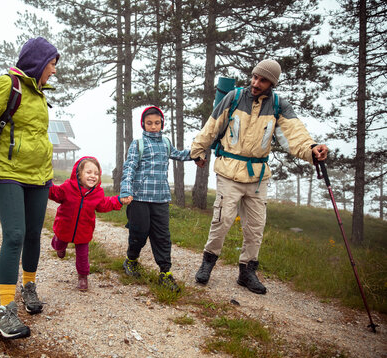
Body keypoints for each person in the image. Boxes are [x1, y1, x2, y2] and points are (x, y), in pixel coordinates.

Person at [191, 59, 329, 294]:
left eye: (262, 80)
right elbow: (212, 126)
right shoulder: (234, 97)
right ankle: (208, 263)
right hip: (229, 170)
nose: (256, 83)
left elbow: (294, 135)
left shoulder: (278, 105)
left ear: (271, 83)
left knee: (255, 227)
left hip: (258, 177)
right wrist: (197, 151)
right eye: (255, 77)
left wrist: (312, 149)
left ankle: (247, 272)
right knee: (222, 220)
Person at [0, 37, 59, 339]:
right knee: (15, 234)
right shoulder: (8, 85)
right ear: (38, 62)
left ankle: (28, 285)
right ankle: (5, 311)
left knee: (33, 234)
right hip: (7, 173)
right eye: (52, 65)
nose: (54, 71)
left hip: (40, 176)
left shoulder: (40, 93)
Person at [120, 106, 193, 292]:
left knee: (162, 236)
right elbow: (129, 168)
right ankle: (131, 260)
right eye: (149, 123)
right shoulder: (138, 144)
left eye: (157, 123)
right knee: (139, 232)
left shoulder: (166, 143)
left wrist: (196, 154)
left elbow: (179, 154)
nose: (153, 126)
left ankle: (165, 273)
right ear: (143, 124)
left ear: (162, 124)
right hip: (139, 198)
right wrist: (126, 191)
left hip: (160, 198)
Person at [49, 156, 130, 291]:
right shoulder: (68, 187)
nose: (93, 176)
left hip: (84, 231)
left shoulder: (97, 193)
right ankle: (59, 247)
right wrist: (47, 183)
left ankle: (83, 277)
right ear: (79, 174)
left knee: (82, 256)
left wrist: (119, 200)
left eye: (96, 173)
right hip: (64, 227)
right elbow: (55, 194)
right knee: (59, 243)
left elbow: (105, 204)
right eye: (89, 172)